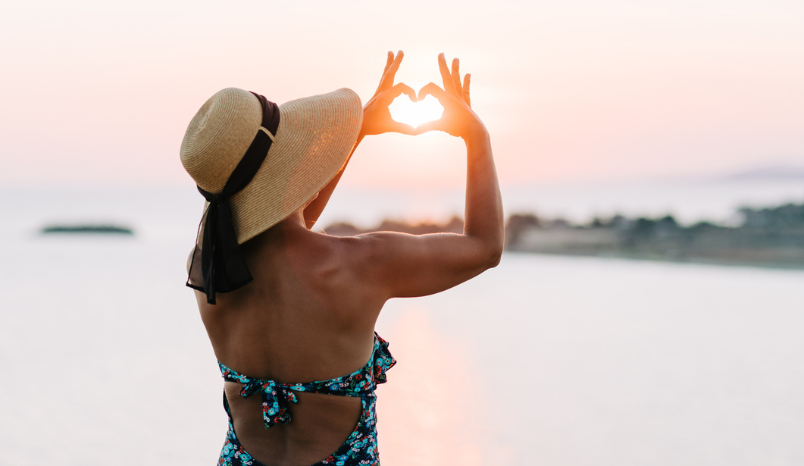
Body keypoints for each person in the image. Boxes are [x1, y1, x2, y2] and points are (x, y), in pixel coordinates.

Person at [181, 51, 503, 466]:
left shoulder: (206, 266)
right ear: (288, 161)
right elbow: (484, 246)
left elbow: (283, 229)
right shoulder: (360, 264)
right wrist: (476, 136)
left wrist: (356, 135)